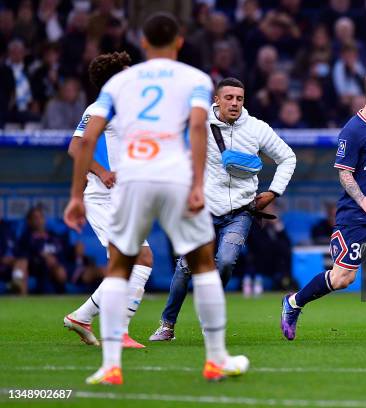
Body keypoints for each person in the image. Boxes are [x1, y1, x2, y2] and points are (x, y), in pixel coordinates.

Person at [63, 13, 248, 385]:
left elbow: (84, 139)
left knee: (120, 265)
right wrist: (198, 183)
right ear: (179, 42)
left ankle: (110, 365)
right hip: (174, 177)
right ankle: (216, 359)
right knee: (202, 263)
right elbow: (198, 127)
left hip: (132, 181)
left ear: (143, 43)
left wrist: (74, 196)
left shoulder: (120, 83)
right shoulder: (195, 79)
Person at [149, 77, 296, 341]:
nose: (235, 103)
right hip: (202, 209)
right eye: (229, 98)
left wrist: (273, 192)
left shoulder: (257, 128)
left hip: (241, 211)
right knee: (185, 267)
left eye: (239, 99)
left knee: (226, 261)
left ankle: (210, 317)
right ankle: (167, 325)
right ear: (216, 100)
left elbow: (287, 157)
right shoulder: (198, 124)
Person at [280, 69, 366, 342]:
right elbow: (344, 173)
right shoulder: (352, 131)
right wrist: (364, 201)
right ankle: (293, 303)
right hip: (355, 216)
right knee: (343, 278)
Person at [62, 52, 153, 350]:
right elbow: (76, 147)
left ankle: (83, 317)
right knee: (135, 259)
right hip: (103, 197)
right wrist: (101, 172)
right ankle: (117, 332)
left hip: (124, 196)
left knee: (132, 261)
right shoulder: (102, 107)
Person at [14, 207, 67, 294]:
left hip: (56, 265)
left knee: (60, 271)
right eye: (35, 218)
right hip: (36, 266)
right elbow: (23, 255)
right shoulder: (26, 238)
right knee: (22, 266)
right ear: (29, 221)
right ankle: (22, 298)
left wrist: (54, 260)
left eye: (41, 217)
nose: (38, 220)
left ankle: (62, 297)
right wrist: (42, 256)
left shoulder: (54, 236)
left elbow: (62, 254)